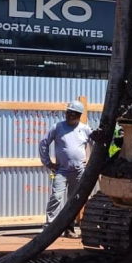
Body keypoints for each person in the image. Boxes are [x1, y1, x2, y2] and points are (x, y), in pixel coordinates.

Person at [38, 101, 92, 238]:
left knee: (73, 200)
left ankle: (69, 228)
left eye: (72, 113)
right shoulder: (57, 127)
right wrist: (48, 163)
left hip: (79, 171)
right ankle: (49, 228)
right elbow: (43, 144)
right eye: (67, 112)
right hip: (62, 170)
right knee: (56, 197)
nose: (68, 115)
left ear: (79, 115)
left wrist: (91, 162)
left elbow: (96, 145)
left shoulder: (85, 129)